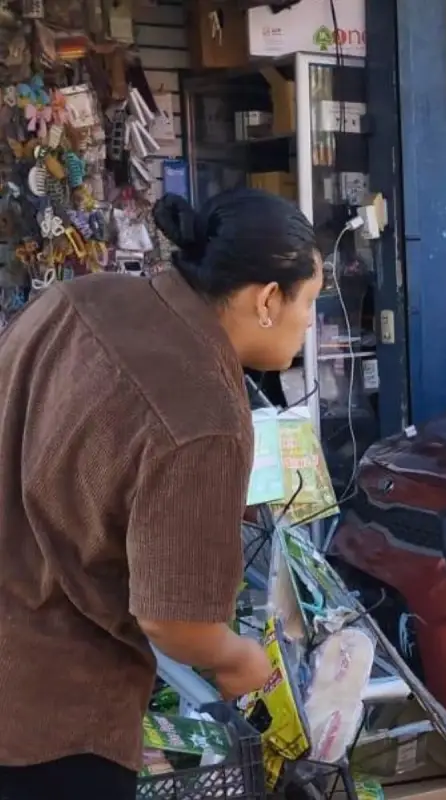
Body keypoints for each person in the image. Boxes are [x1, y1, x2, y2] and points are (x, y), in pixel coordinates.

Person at [0, 188, 324, 800]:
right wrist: (236, 658)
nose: (310, 322)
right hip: (49, 717)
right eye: (310, 301)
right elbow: (176, 620)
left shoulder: (81, 297)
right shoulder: (206, 415)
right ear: (268, 299)